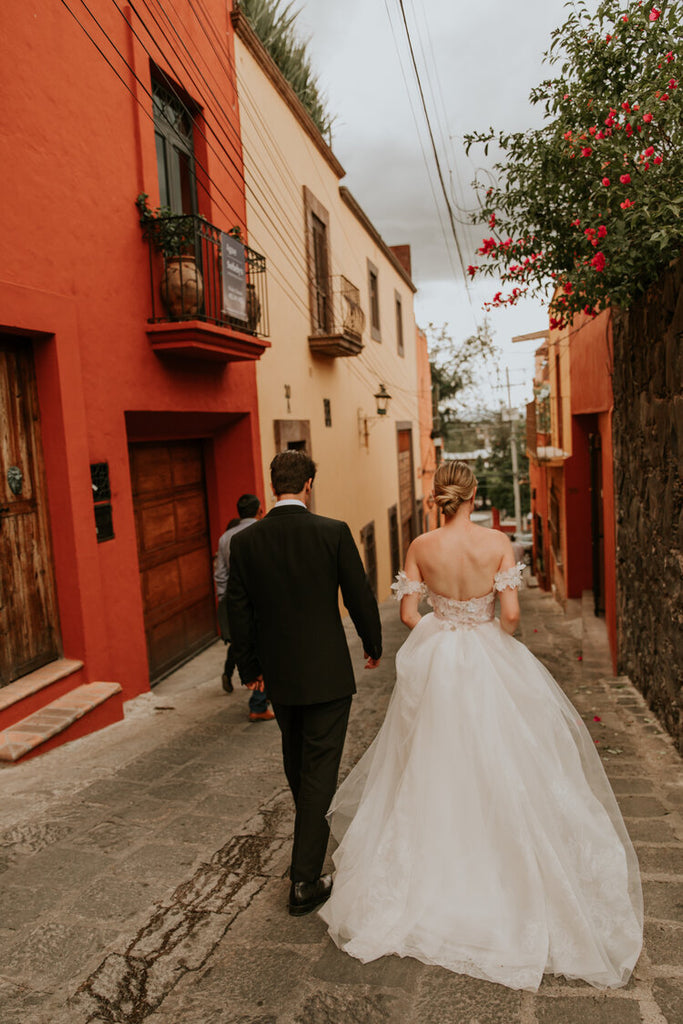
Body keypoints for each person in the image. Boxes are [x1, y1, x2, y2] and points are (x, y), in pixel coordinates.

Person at [319, 460, 643, 991]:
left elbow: (408, 614)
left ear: (439, 497)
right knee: (505, 758)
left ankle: (429, 873)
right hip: (488, 655)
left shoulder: (420, 545)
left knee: (433, 761)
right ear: (473, 495)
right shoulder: (497, 543)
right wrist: (485, 628)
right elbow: (510, 617)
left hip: (440, 659)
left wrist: (445, 629)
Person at [227, 450, 382, 916]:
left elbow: (238, 610)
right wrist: (372, 643)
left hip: (280, 676)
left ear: (273, 485)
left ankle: (308, 844)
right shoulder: (332, 532)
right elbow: (358, 594)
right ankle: (305, 880)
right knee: (317, 770)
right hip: (327, 675)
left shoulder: (246, 542)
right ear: (309, 485)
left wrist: (249, 668)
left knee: (298, 762)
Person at [214, 494, 273, 721]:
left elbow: (221, 574)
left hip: (235, 600)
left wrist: (225, 600)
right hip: (261, 599)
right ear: (259, 511)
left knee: (243, 642)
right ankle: (258, 703)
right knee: (265, 645)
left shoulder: (225, 538)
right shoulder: (264, 531)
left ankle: (258, 694)